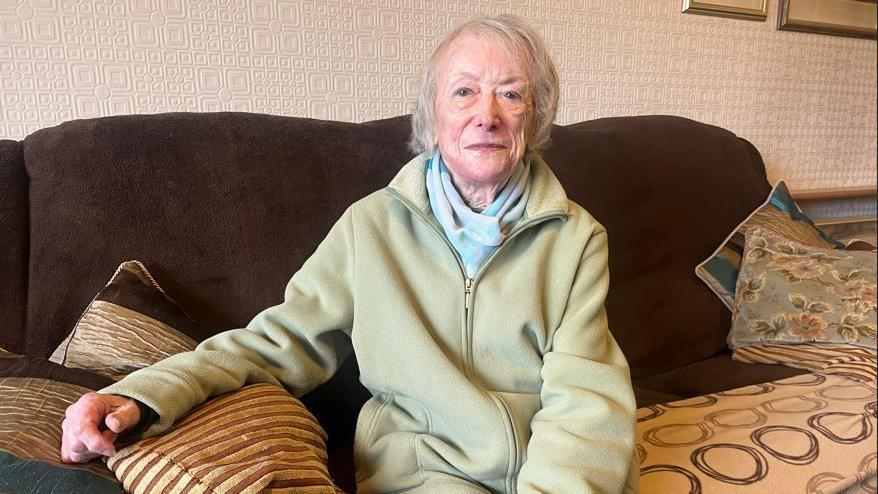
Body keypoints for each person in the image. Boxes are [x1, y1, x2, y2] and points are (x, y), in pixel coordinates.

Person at [62, 15, 638, 493]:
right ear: (432, 118)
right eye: (463, 91)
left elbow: (586, 397)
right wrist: (141, 394)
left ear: (532, 119)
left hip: (558, 471)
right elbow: (275, 344)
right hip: (425, 474)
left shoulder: (576, 238)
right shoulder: (371, 228)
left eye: (511, 94)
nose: (486, 114)